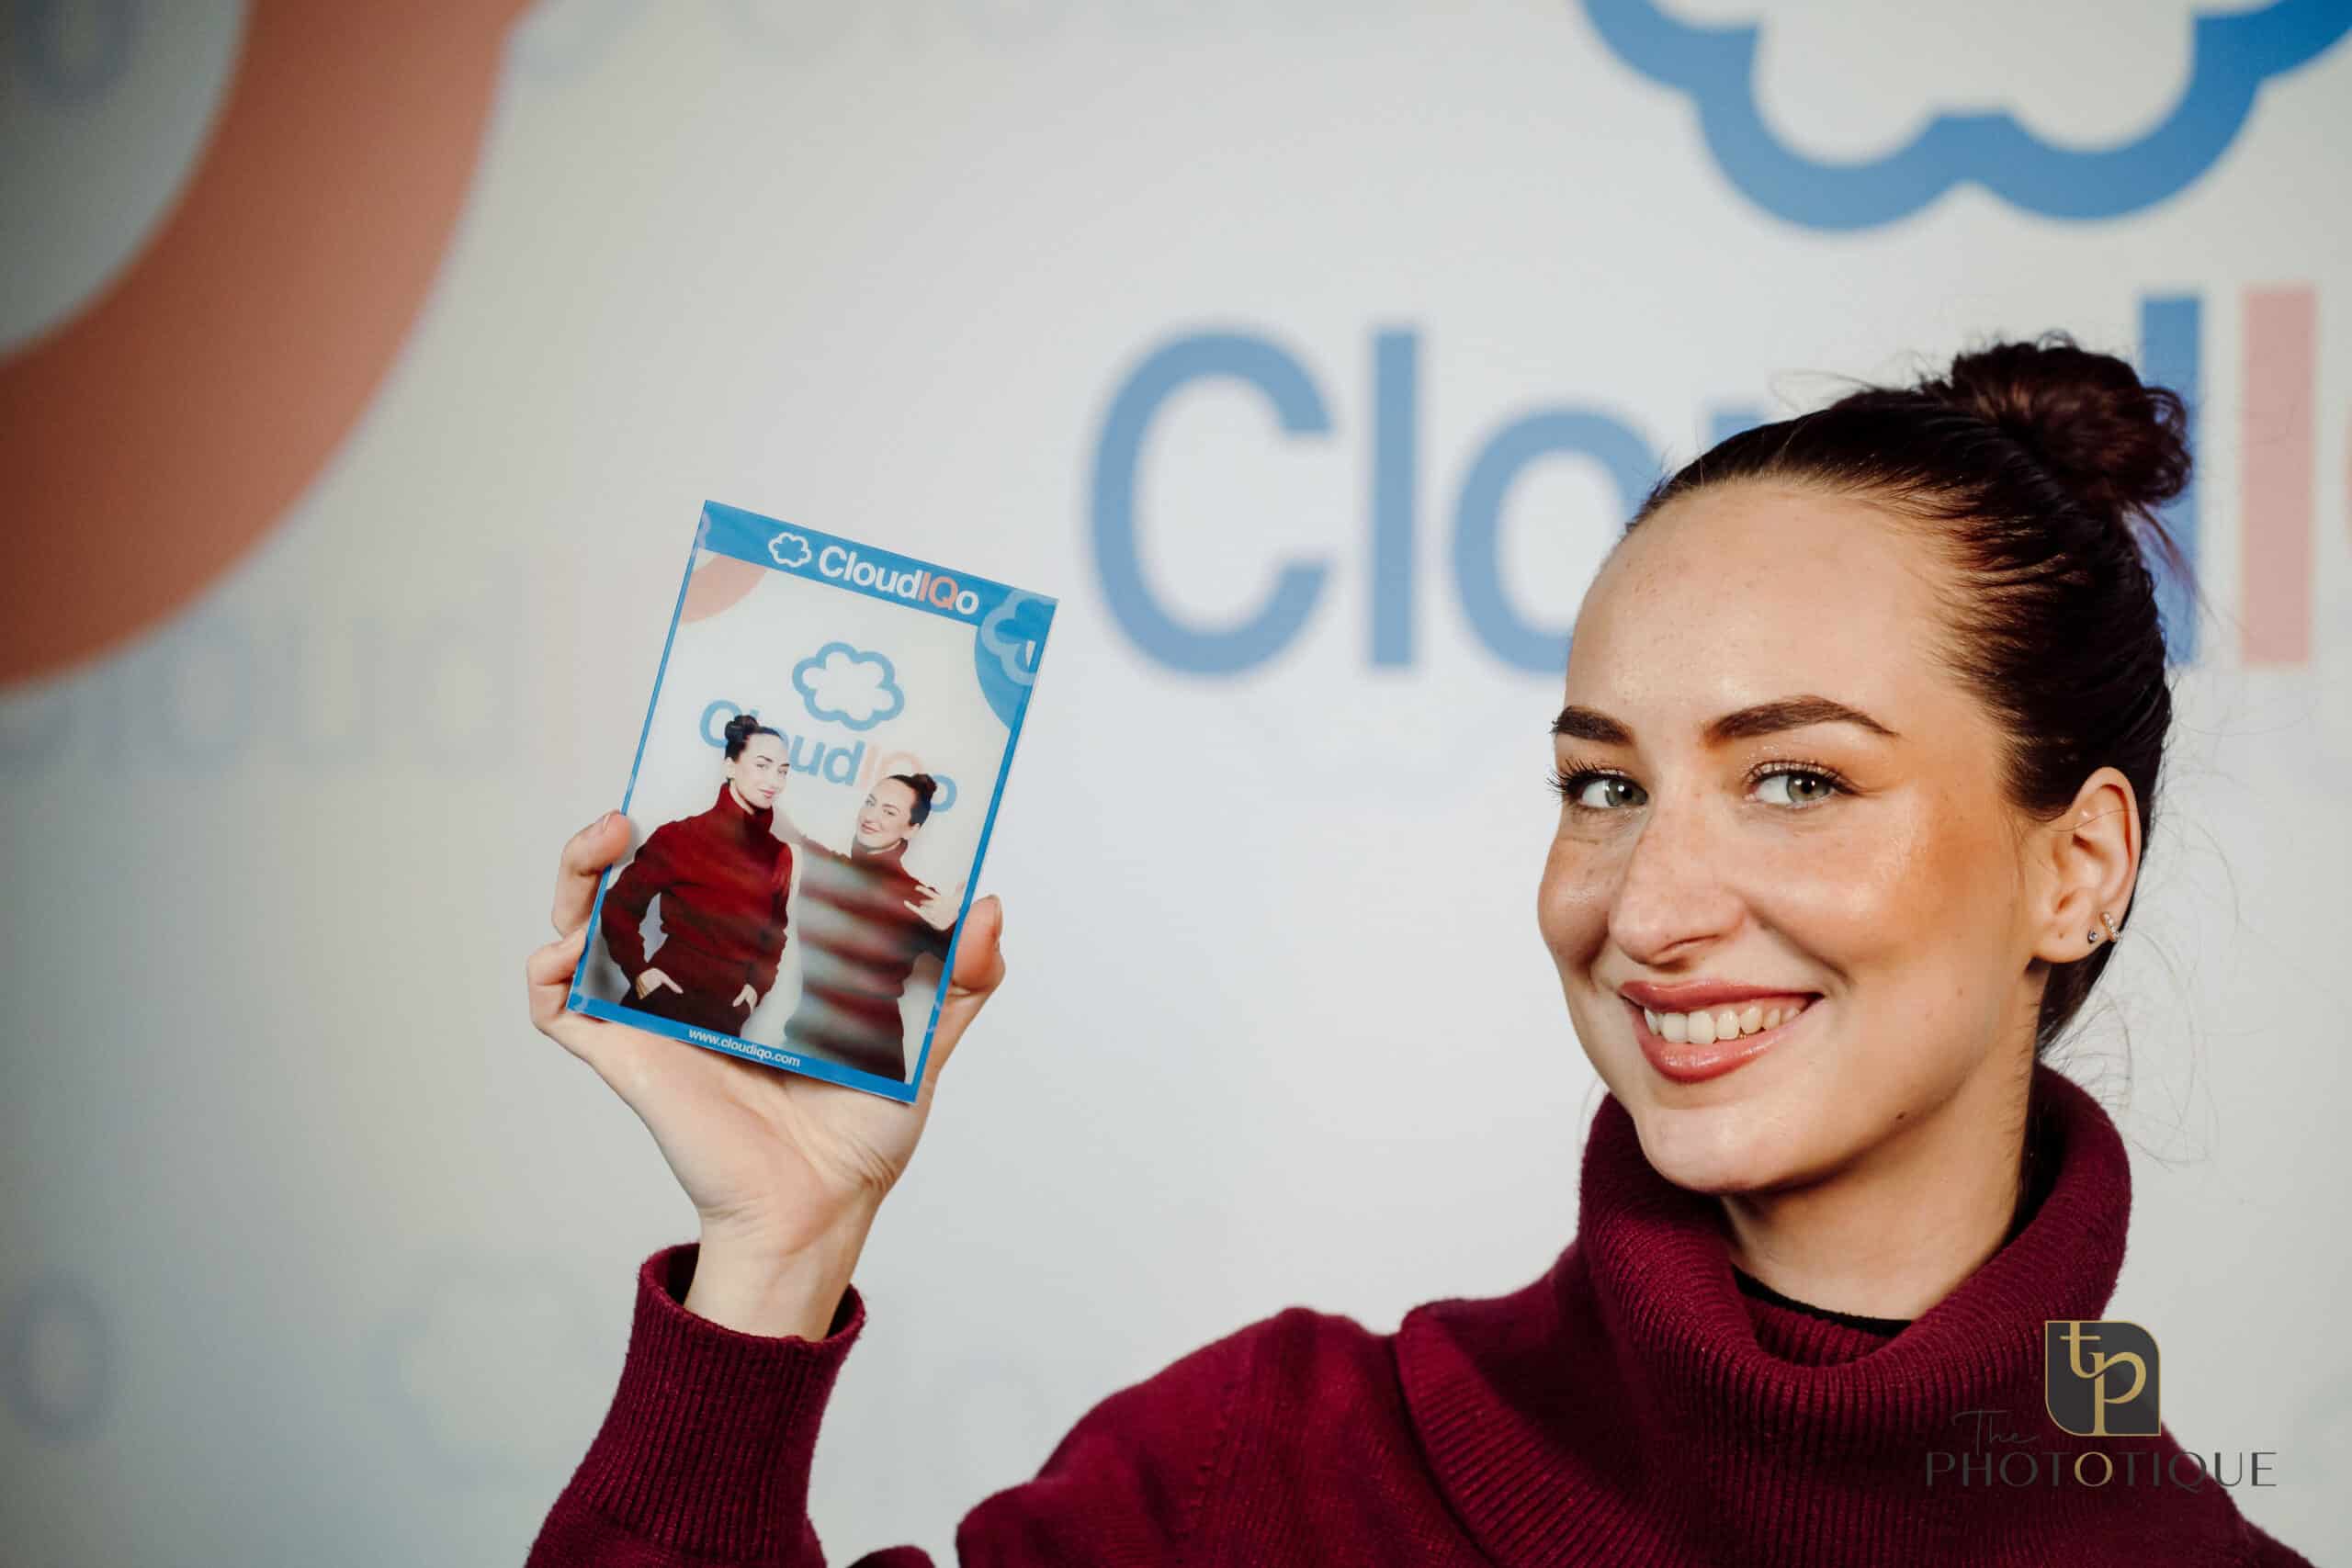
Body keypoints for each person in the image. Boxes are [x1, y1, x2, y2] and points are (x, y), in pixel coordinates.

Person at [519, 337, 2314, 1565]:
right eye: (1599, 784)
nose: (1646, 902)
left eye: (1790, 774)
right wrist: (776, 1255)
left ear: (2073, 868)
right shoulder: (1262, 1474)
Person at [596, 712, 795, 1037]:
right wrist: (640, 971)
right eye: (762, 765)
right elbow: (618, 906)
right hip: (660, 1008)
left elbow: (774, 936)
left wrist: (755, 990)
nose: (774, 781)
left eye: (783, 771)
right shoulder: (679, 837)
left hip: (725, 1021)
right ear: (730, 766)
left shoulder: (779, 855)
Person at [771, 772, 957, 1082]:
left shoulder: (918, 899)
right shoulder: (824, 867)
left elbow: (975, 973)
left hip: (870, 1070)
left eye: (889, 811)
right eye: (870, 803)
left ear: (912, 829)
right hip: (803, 1053)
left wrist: (957, 926)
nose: (872, 816)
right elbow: (776, 825)